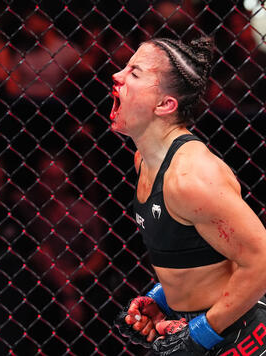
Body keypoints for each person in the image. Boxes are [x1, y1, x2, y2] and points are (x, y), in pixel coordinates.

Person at [111, 36, 266, 355]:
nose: (117, 75)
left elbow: (262, 260)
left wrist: (203, 333)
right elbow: (202, 253)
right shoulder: (145, 159)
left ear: (164, 105)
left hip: (246, 333)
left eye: (135, 72)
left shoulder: (191, 177)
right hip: (200, 322)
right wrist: (161, 298)